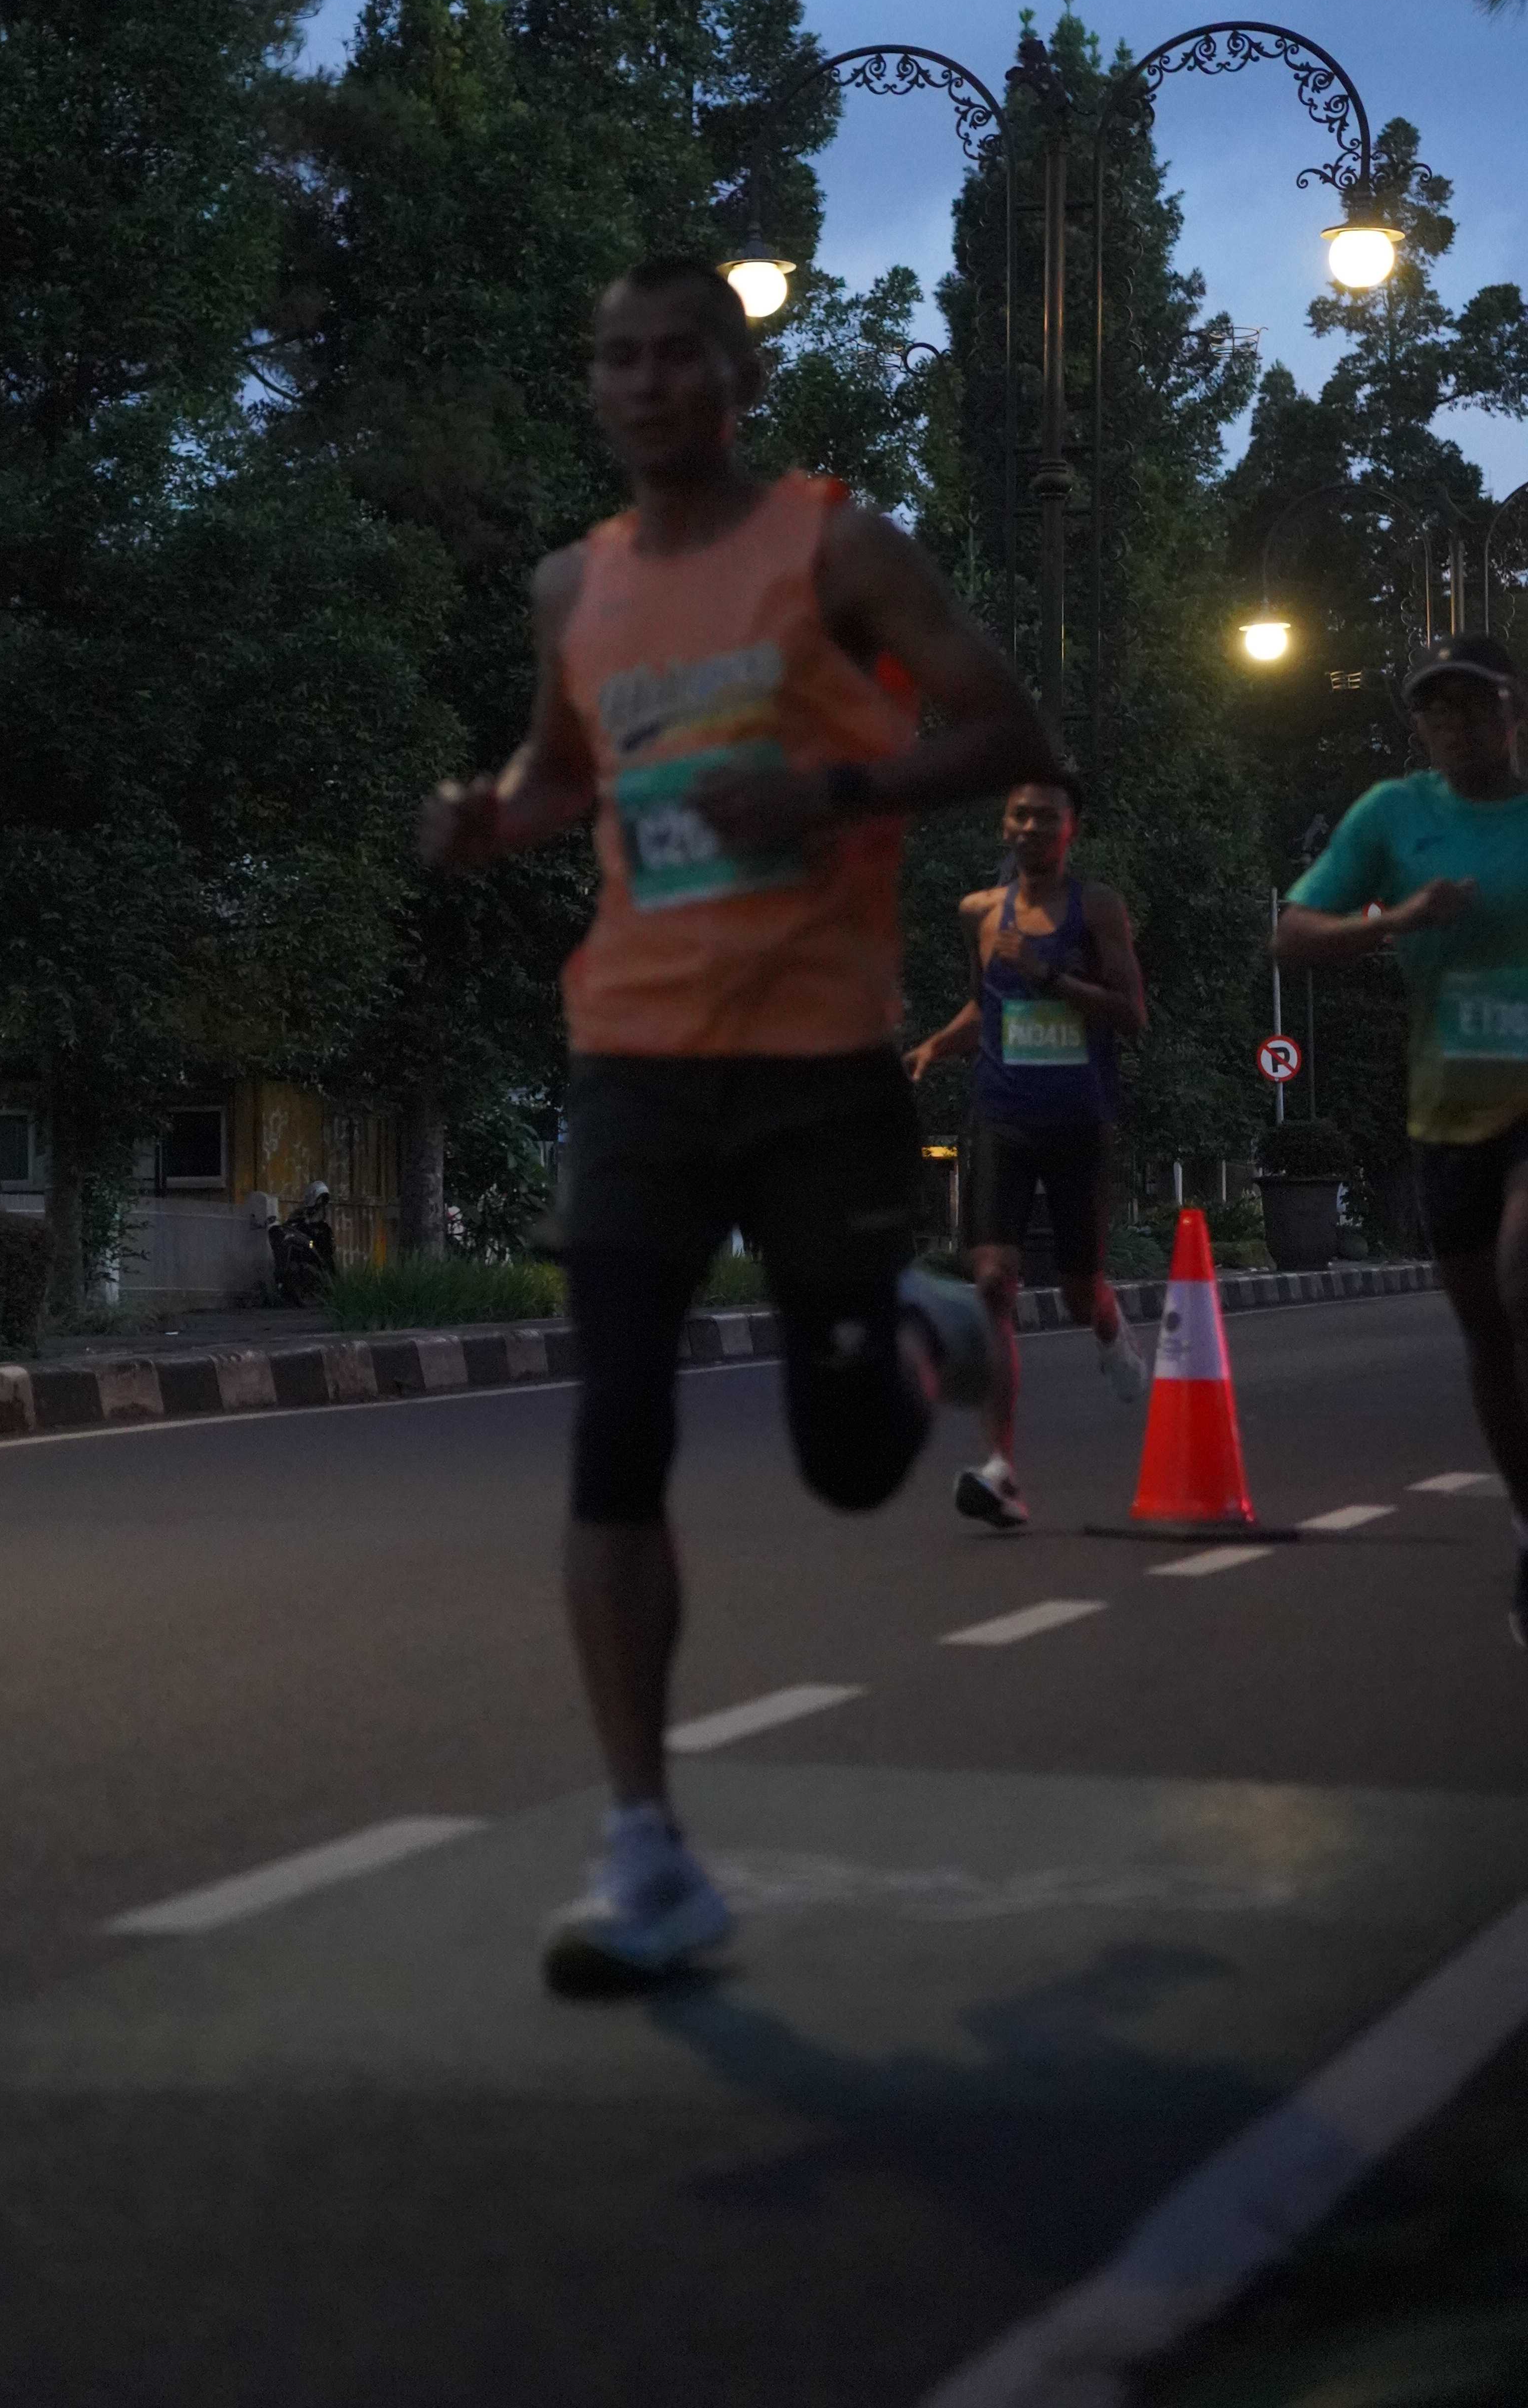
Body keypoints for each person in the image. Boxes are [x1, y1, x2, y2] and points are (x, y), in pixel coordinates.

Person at [420, 254, 1059, 1990]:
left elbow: (1016, 730)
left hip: (816, 1053)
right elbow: (566, 774)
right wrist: (488, 816)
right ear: (595, 384)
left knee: (849, 1465)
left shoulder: (836, 549)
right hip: (634, 1048)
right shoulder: (574, 586)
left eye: (677, 355)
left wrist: (836, 786)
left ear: (739, 377)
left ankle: (917, 1328)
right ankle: (646, 1849)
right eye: (616, 358)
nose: (644, 384)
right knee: (614, 1426)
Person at [1275, 631, 1528, 1647]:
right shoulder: (1393, 815)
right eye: (1436, 708)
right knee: (1487, 1335)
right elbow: (1292, 932)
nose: (1456, 724)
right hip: (1446, 1111)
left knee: (1522, 1274)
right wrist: (1395, 920)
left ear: (1514, 709)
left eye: (1474, 703)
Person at [905, 775, 1149, 1529]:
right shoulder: (979, 912)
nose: (1032, 827)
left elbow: (1132, 1014)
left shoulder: (1097, 908)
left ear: (1072, 828)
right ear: (1004, 825)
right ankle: (1002, 1469)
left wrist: (1049, 975)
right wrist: (935, 1046)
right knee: (993, 1284)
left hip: (1078, 1117)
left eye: (1048, 817)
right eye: (1020, 815)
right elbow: (987, 1007)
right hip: (1001, 1114)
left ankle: (1106, 1324)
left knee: (1078, 1288)